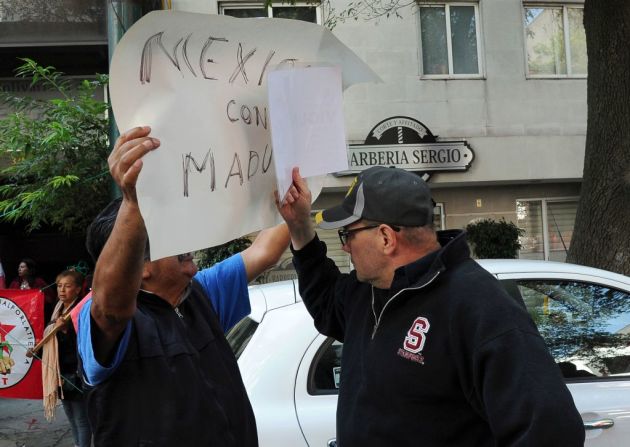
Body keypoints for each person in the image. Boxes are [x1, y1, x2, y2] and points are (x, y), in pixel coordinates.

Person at [276, 166, 585, 446]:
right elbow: (326, 302)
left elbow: (551, 431)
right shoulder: (368, 291)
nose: (344, 245)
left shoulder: (477, 305)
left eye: (349, 234)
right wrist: (300, 226)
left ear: (386, 237)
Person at [76, 126, 290, 446]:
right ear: (141, 267)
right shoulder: (109, 321)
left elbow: (264, 252)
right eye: (170, 235)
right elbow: (110, 308)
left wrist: (296, 183)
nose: (185, 239)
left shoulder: (199, 293)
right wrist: (135, 203)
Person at [41, 269, 91, 447]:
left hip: (76, 371)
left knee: (81, 418)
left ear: (78, 289)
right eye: (59, 286)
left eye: (67, 286)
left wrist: (65, 331)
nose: (62, 290)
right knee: (70, 415)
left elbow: (86, 342)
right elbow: (49, 341)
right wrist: (38, 350)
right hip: (59, 370)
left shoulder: (82, 310)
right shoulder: (57, 309)